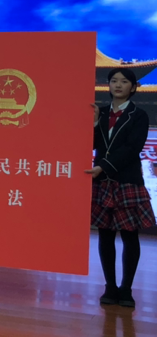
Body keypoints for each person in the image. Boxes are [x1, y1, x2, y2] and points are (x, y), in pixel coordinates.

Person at [85, 68, 154, 308]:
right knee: (105, 235)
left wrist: (103, 167)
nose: (118, 85)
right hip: (102, 182)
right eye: (113, 81)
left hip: (127, 181)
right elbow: (91, 144)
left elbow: (132, 148)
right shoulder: (100, 112)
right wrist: (95, 124)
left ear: (133, 87)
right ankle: (110, 286)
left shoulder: (139, 115)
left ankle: (126, 289)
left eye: (124, 81)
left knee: (129, 236)